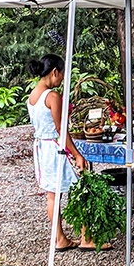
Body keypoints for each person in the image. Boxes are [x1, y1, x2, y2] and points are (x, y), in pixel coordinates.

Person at [27, 54, 90, 251]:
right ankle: (86, 238)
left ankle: (60, 238)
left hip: (42, 147)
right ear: (55, 72)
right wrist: (77, 154)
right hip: (56, 148)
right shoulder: (52, 96)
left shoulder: (32, 96)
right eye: (61, 75)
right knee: (77, 189)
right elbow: (61, 129)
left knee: (53, 195)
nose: (62, 79)